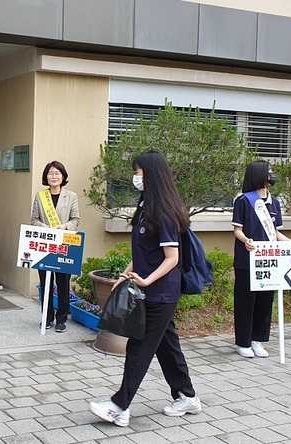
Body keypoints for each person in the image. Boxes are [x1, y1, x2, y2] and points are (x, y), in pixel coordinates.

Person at [89, 150, 201, 428]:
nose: (135, 177)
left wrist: (148, 280)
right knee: (167, 345)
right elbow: (144, 250)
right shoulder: (147, 207)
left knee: (139, 348)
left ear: (150, 174)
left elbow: (172, 259)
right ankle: (187, 396)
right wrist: (126, 273)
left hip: (160, 293)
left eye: (138, 172)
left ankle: (119, 406)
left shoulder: (164, 213)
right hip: (149, 288)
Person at [232, 160, 291, 358]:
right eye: (269, 171)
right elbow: (237, 230)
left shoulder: (275, 203)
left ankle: (257, 340)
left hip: (270, 261)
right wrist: (247, 240)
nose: (272, 174)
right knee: (246, 302)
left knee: (265, 302)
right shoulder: (243, 201)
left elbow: (276, 233)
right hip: (247, 261)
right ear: (258, 175)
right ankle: (243, 342)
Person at [30, 160, 80, 332]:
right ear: (46, 176)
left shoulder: (71, 196)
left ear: (63, 176)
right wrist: (44, 227)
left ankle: (61, 319)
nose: (54, 176)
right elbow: (34, 220)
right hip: (44, 246)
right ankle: (47, 316)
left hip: (64, 246)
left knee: (63, 282)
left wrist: (64, 227)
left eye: (57, 173)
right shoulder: (40, 196)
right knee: (45, 282)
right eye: (51, 173)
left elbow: (76, 220)